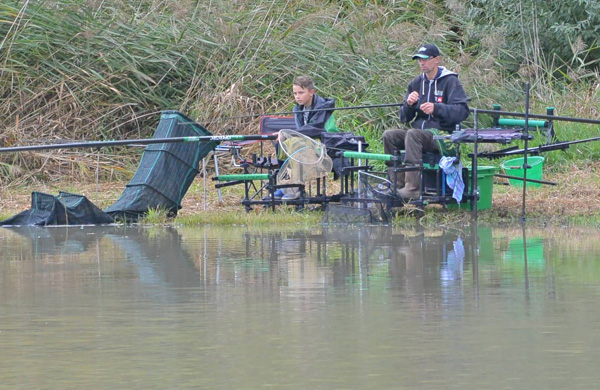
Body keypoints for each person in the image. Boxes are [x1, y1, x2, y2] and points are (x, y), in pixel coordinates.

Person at [382, 43, 469, 200]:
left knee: (413, 135)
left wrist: (437, 108)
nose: (422, 63)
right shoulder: (416, 83)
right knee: (390, 135)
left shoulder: (450, 81)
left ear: (436, 60)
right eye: (419, 60)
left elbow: (462, 111)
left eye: (425, 59)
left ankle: (412, 188)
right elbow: (404, 118)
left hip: (442, 136)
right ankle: (396, 185)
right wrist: (408, 105)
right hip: (419, 134)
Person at [276, 76, 338, 200]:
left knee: (294, 142)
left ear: (312, 92)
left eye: (301, 92)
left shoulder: (323, 107)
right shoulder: (297, 109)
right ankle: (284, 186)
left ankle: (296, 188)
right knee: (282, 143)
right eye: (295, 93)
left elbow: (315, 129)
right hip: (307, 144)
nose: (297, 96)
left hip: (325, 145)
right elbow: (302, 132)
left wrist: (290, 133)